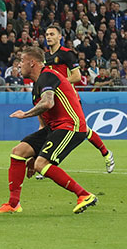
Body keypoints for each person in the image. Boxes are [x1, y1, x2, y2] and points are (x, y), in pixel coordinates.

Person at [0, 47, 98, 214]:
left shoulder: (48, 75)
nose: (19, 65)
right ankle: (13, 204)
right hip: (54, 127)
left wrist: (25, 115)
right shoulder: (37, 86)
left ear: (32, 62)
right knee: (19, 152)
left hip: (72, 125)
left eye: (22, 61)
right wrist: (34, 154)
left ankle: (84, 195)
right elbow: (44, 121)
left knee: (42, 164)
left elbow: (48, 103)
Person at [44, 25, 114, 173]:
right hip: (54, 99)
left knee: (83, 130)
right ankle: (47, 163)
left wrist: (58, 85)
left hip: (69, 99)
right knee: (52, 129)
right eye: (47, 34)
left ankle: (106, 153)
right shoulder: (46, 57)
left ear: (60, 37)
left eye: (52, 34)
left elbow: (76, 76)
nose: (48, 37)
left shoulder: (66, 54)